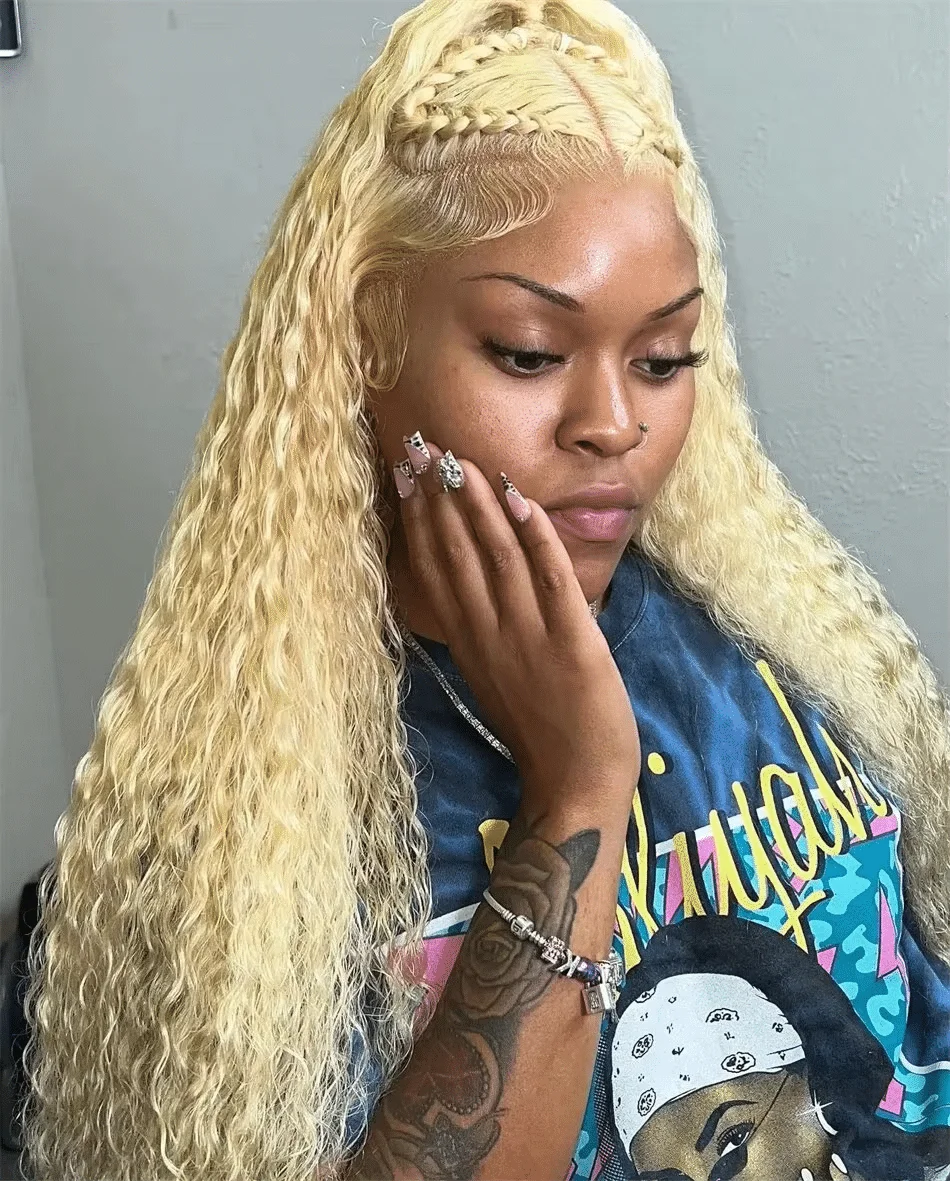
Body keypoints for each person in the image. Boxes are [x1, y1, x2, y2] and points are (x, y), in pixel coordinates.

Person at [14, 0, 949, 1179]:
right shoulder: (249, 825)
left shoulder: (769, 643)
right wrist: (574, 786)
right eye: (528, 352)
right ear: (366, 344)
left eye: (662, 359)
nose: (614, 423)